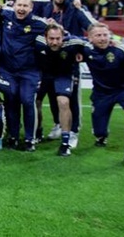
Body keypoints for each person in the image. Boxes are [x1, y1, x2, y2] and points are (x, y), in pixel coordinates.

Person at [82, 23, 124, 169]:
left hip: (123, 91)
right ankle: (101, 137)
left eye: (105, 35)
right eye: (98, 35)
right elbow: (68, 40)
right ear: (90, 38)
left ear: (110, 35)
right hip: (101, 93)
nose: (103, 38)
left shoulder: (122, 49)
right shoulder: (85, 48)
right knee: (99, 132)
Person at [0, 0, 47, 151]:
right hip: (8, 70)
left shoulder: (39, 24)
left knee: (27, 101)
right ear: (14, 5)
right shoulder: (5, 14)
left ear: (31, 8)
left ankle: (29, 139)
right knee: (11, 101)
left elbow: (58, 34)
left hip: (29, 72)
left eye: (25, 6)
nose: (22, 8)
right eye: (19, 5)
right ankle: (13, 136)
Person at [35, 24, 88, 156]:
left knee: (64, 102)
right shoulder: (38, 41)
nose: (54, 42)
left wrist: (111, 41)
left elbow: (91, 43)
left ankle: (66, 142)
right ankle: (38, 132)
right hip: (44, 75)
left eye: (58, 38)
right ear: (45, 37)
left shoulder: (73, 43)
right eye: (51, 38)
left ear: (63, 37)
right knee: (36, 101)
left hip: (64, 75)